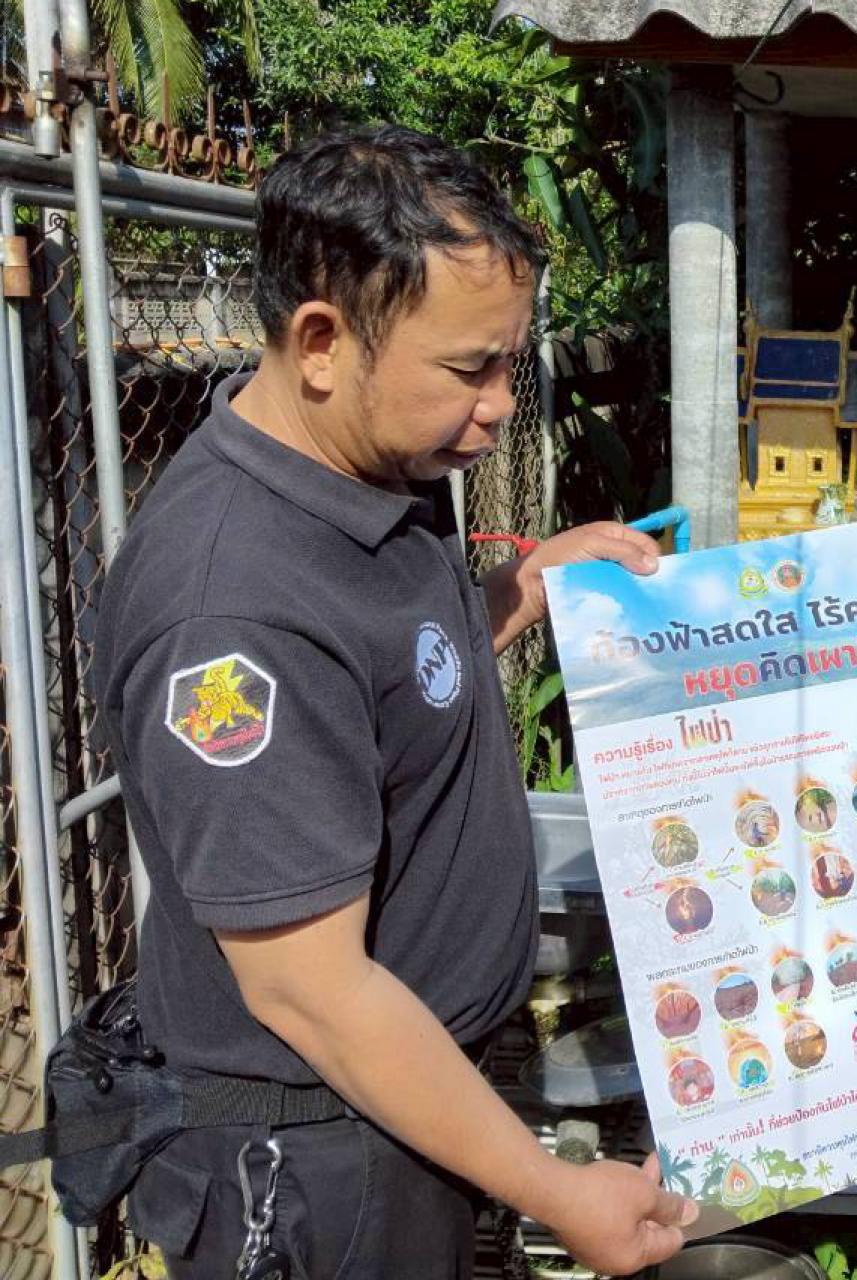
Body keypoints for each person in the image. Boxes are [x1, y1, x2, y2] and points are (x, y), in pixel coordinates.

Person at [94, 126, 694, 1278]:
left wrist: (522, 589)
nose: (502, 404)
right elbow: (311, 991)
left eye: (511, 361)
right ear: (323, 342)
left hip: (413, 1102)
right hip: (324, 1162)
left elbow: (392, 677)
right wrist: (555, 1189)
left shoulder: (369, 468)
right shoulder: (233, 619)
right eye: (471, 369)